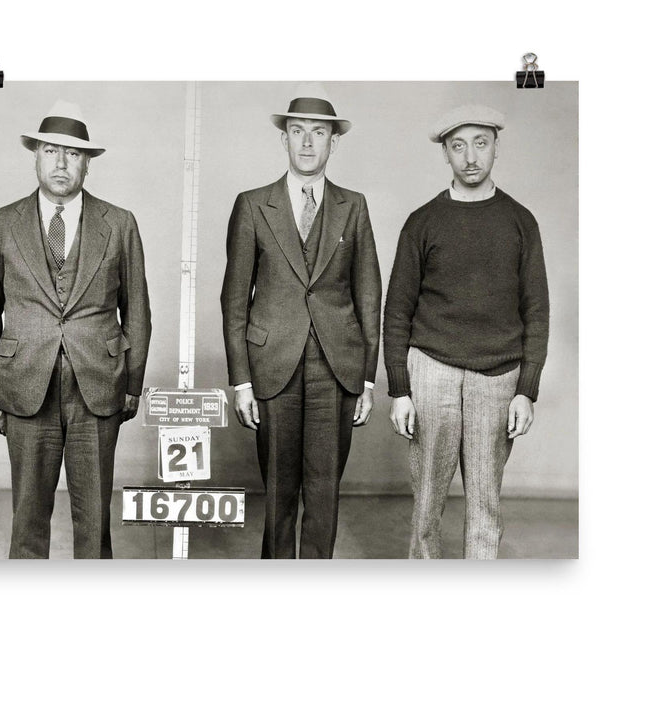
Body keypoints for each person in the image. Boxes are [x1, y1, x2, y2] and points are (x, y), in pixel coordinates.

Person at [0, 100, 151, 559]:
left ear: (87, 164)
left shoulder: (120, 223)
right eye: (51, 150)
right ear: (35, 156)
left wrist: (132, 383)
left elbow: (139, 311)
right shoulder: (1, 223)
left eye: (72, 154)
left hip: (99, 386)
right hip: (24, 385)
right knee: (28, 517)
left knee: (94, 522)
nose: (61, 162)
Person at [220, 86, 381, 558]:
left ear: (334, 142)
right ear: (284, 140)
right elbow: (234, 300)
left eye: (319, 133)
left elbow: (368, 295)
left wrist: (368, 380)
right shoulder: (252, 204)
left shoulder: (354, 206)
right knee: (278, 491)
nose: (308, 142)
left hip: (337, 368)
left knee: (324, 492)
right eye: (297, 132)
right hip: (272, 366)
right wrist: (241, 382)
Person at [384, 105, 549, 559]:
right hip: (430, 370)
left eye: (480, 143)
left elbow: (537, 311)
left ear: (496, 146)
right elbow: (397, 310)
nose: (470, 156)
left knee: (485, 506)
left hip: (498, 378)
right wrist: (399, 389)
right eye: (458, 145)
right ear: (445, 154)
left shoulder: (520, 222)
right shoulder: (422, 222)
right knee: (426, 508)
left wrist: (526, 390)